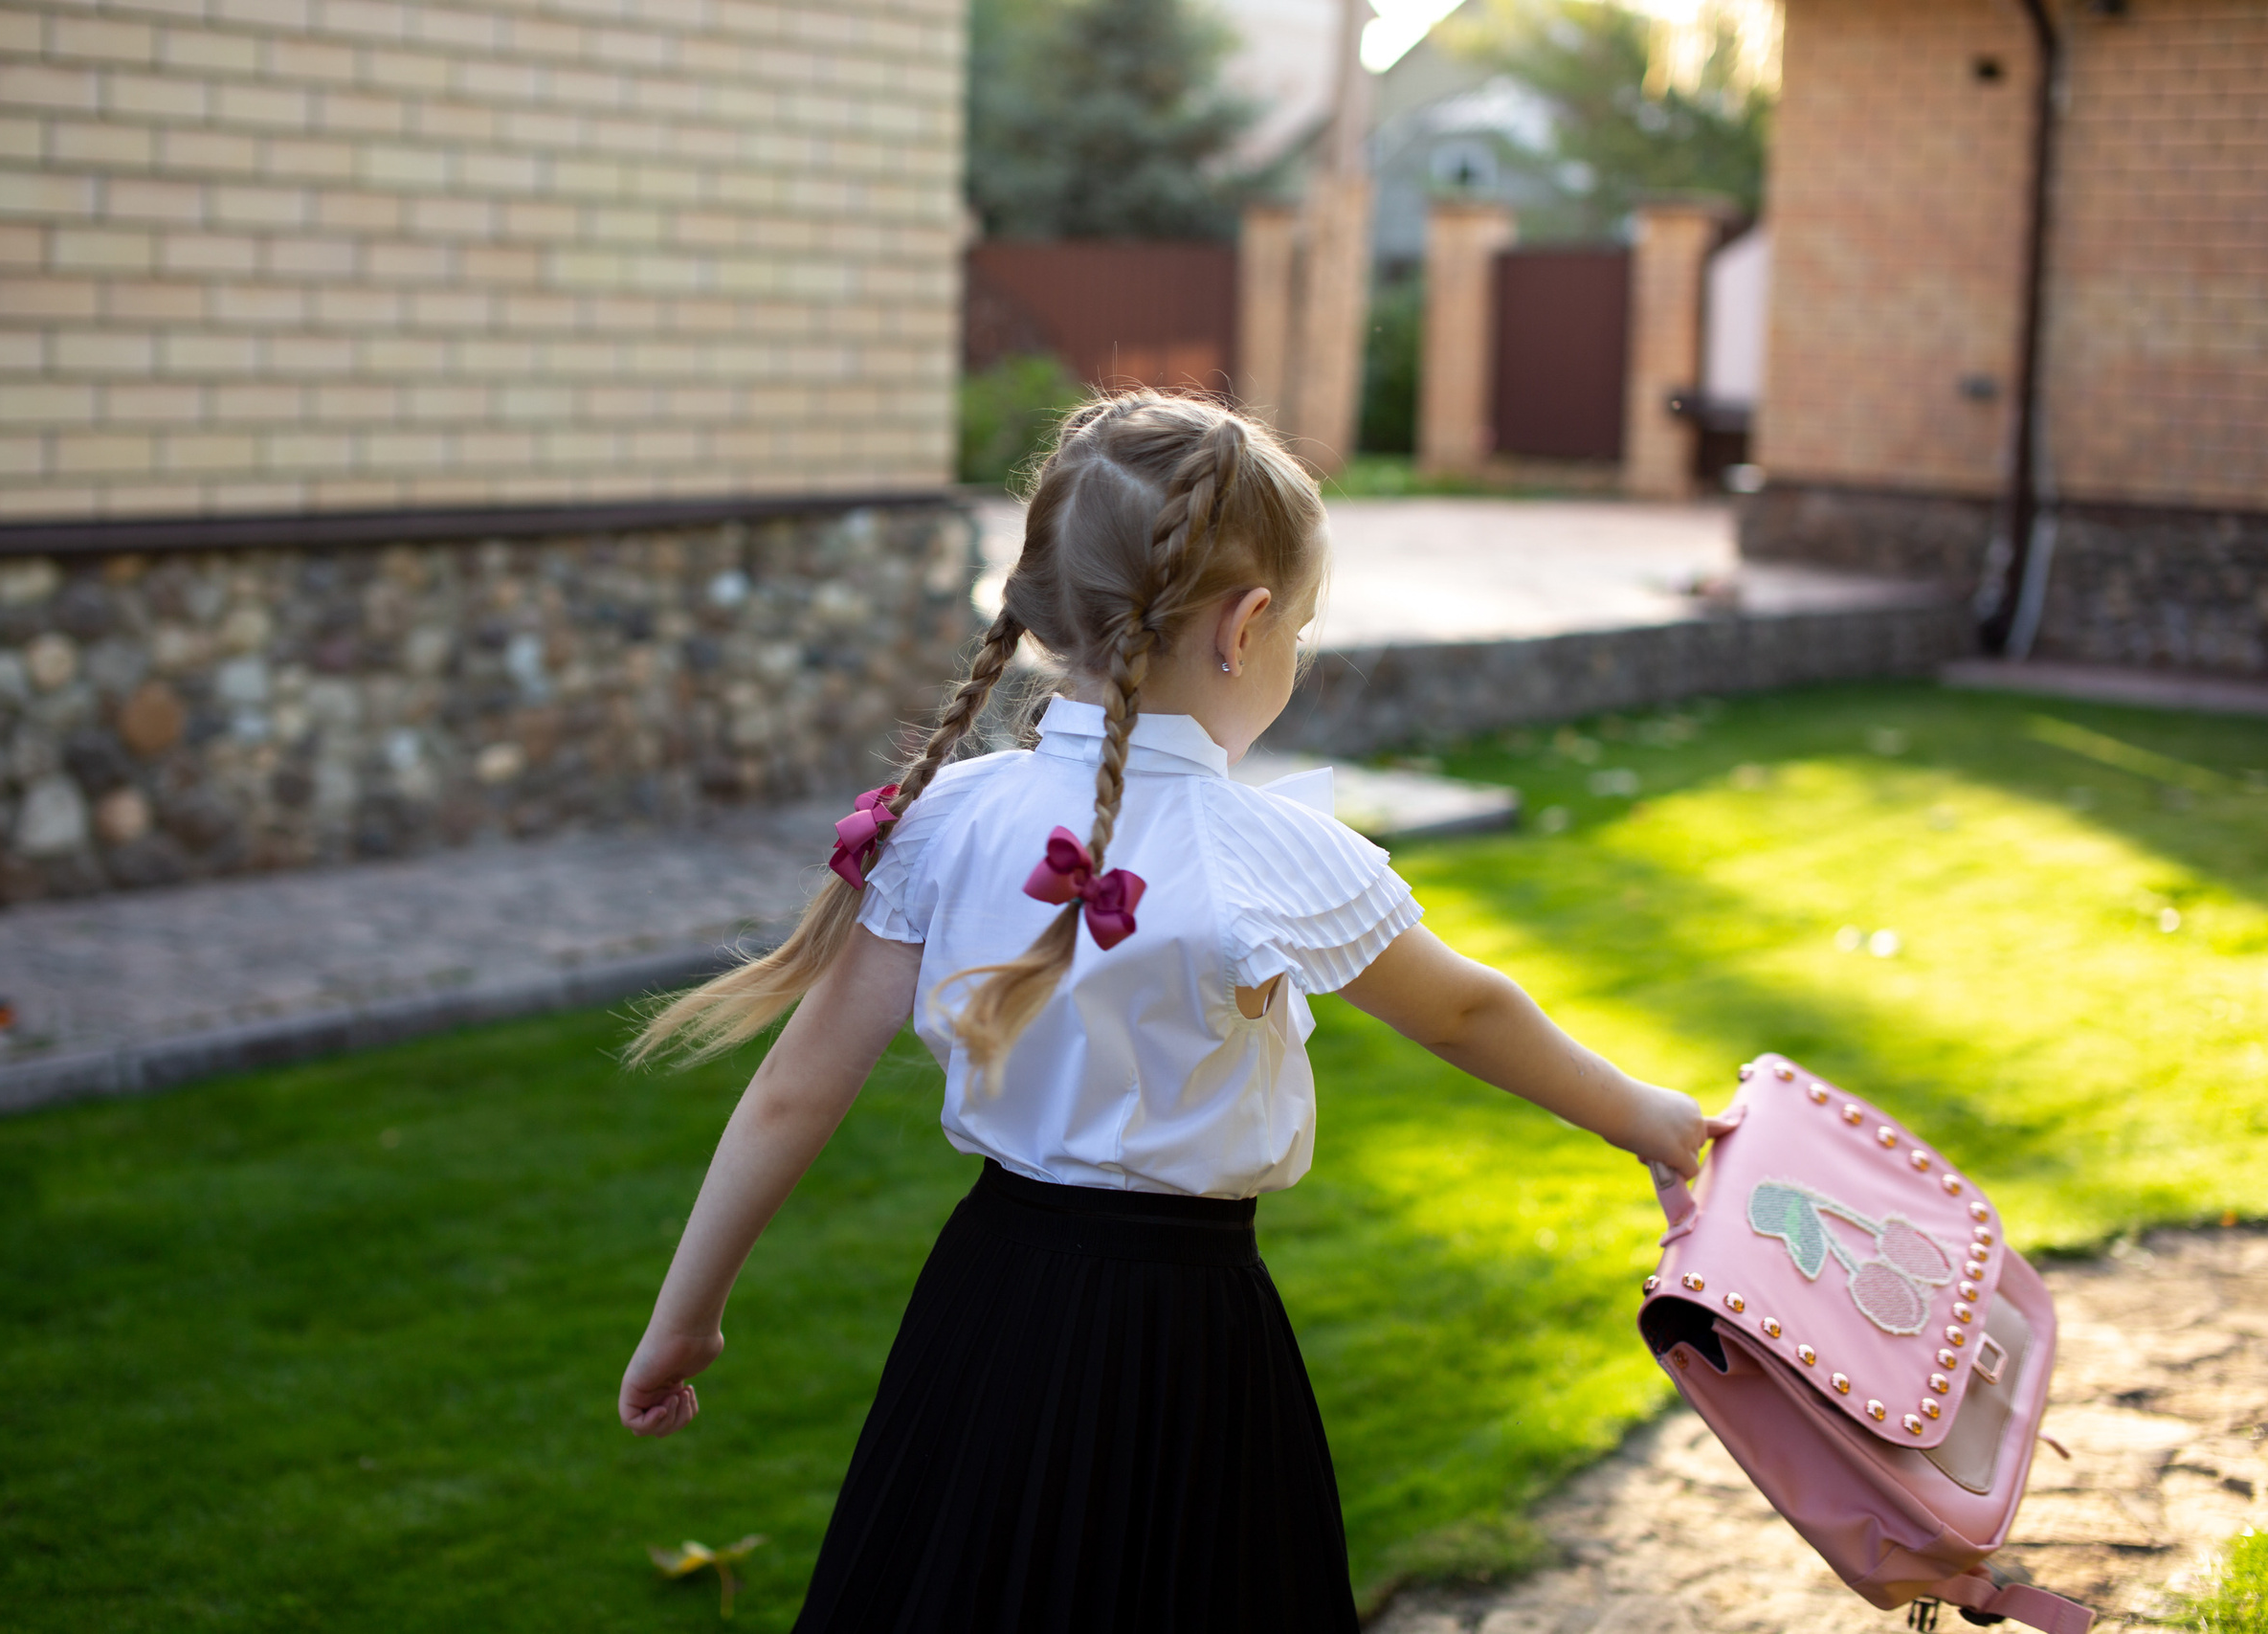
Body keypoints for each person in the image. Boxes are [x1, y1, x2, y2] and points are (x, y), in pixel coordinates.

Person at [617, 392, 1726, 1632]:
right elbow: (1466, 1015)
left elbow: (794, 1088)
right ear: (1247, 627)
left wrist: (685, 1320)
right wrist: (1646, 1116)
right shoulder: (1271, 855)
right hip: (1185, 1343)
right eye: (1300, 630)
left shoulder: (949, 821)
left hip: (987, 1314)